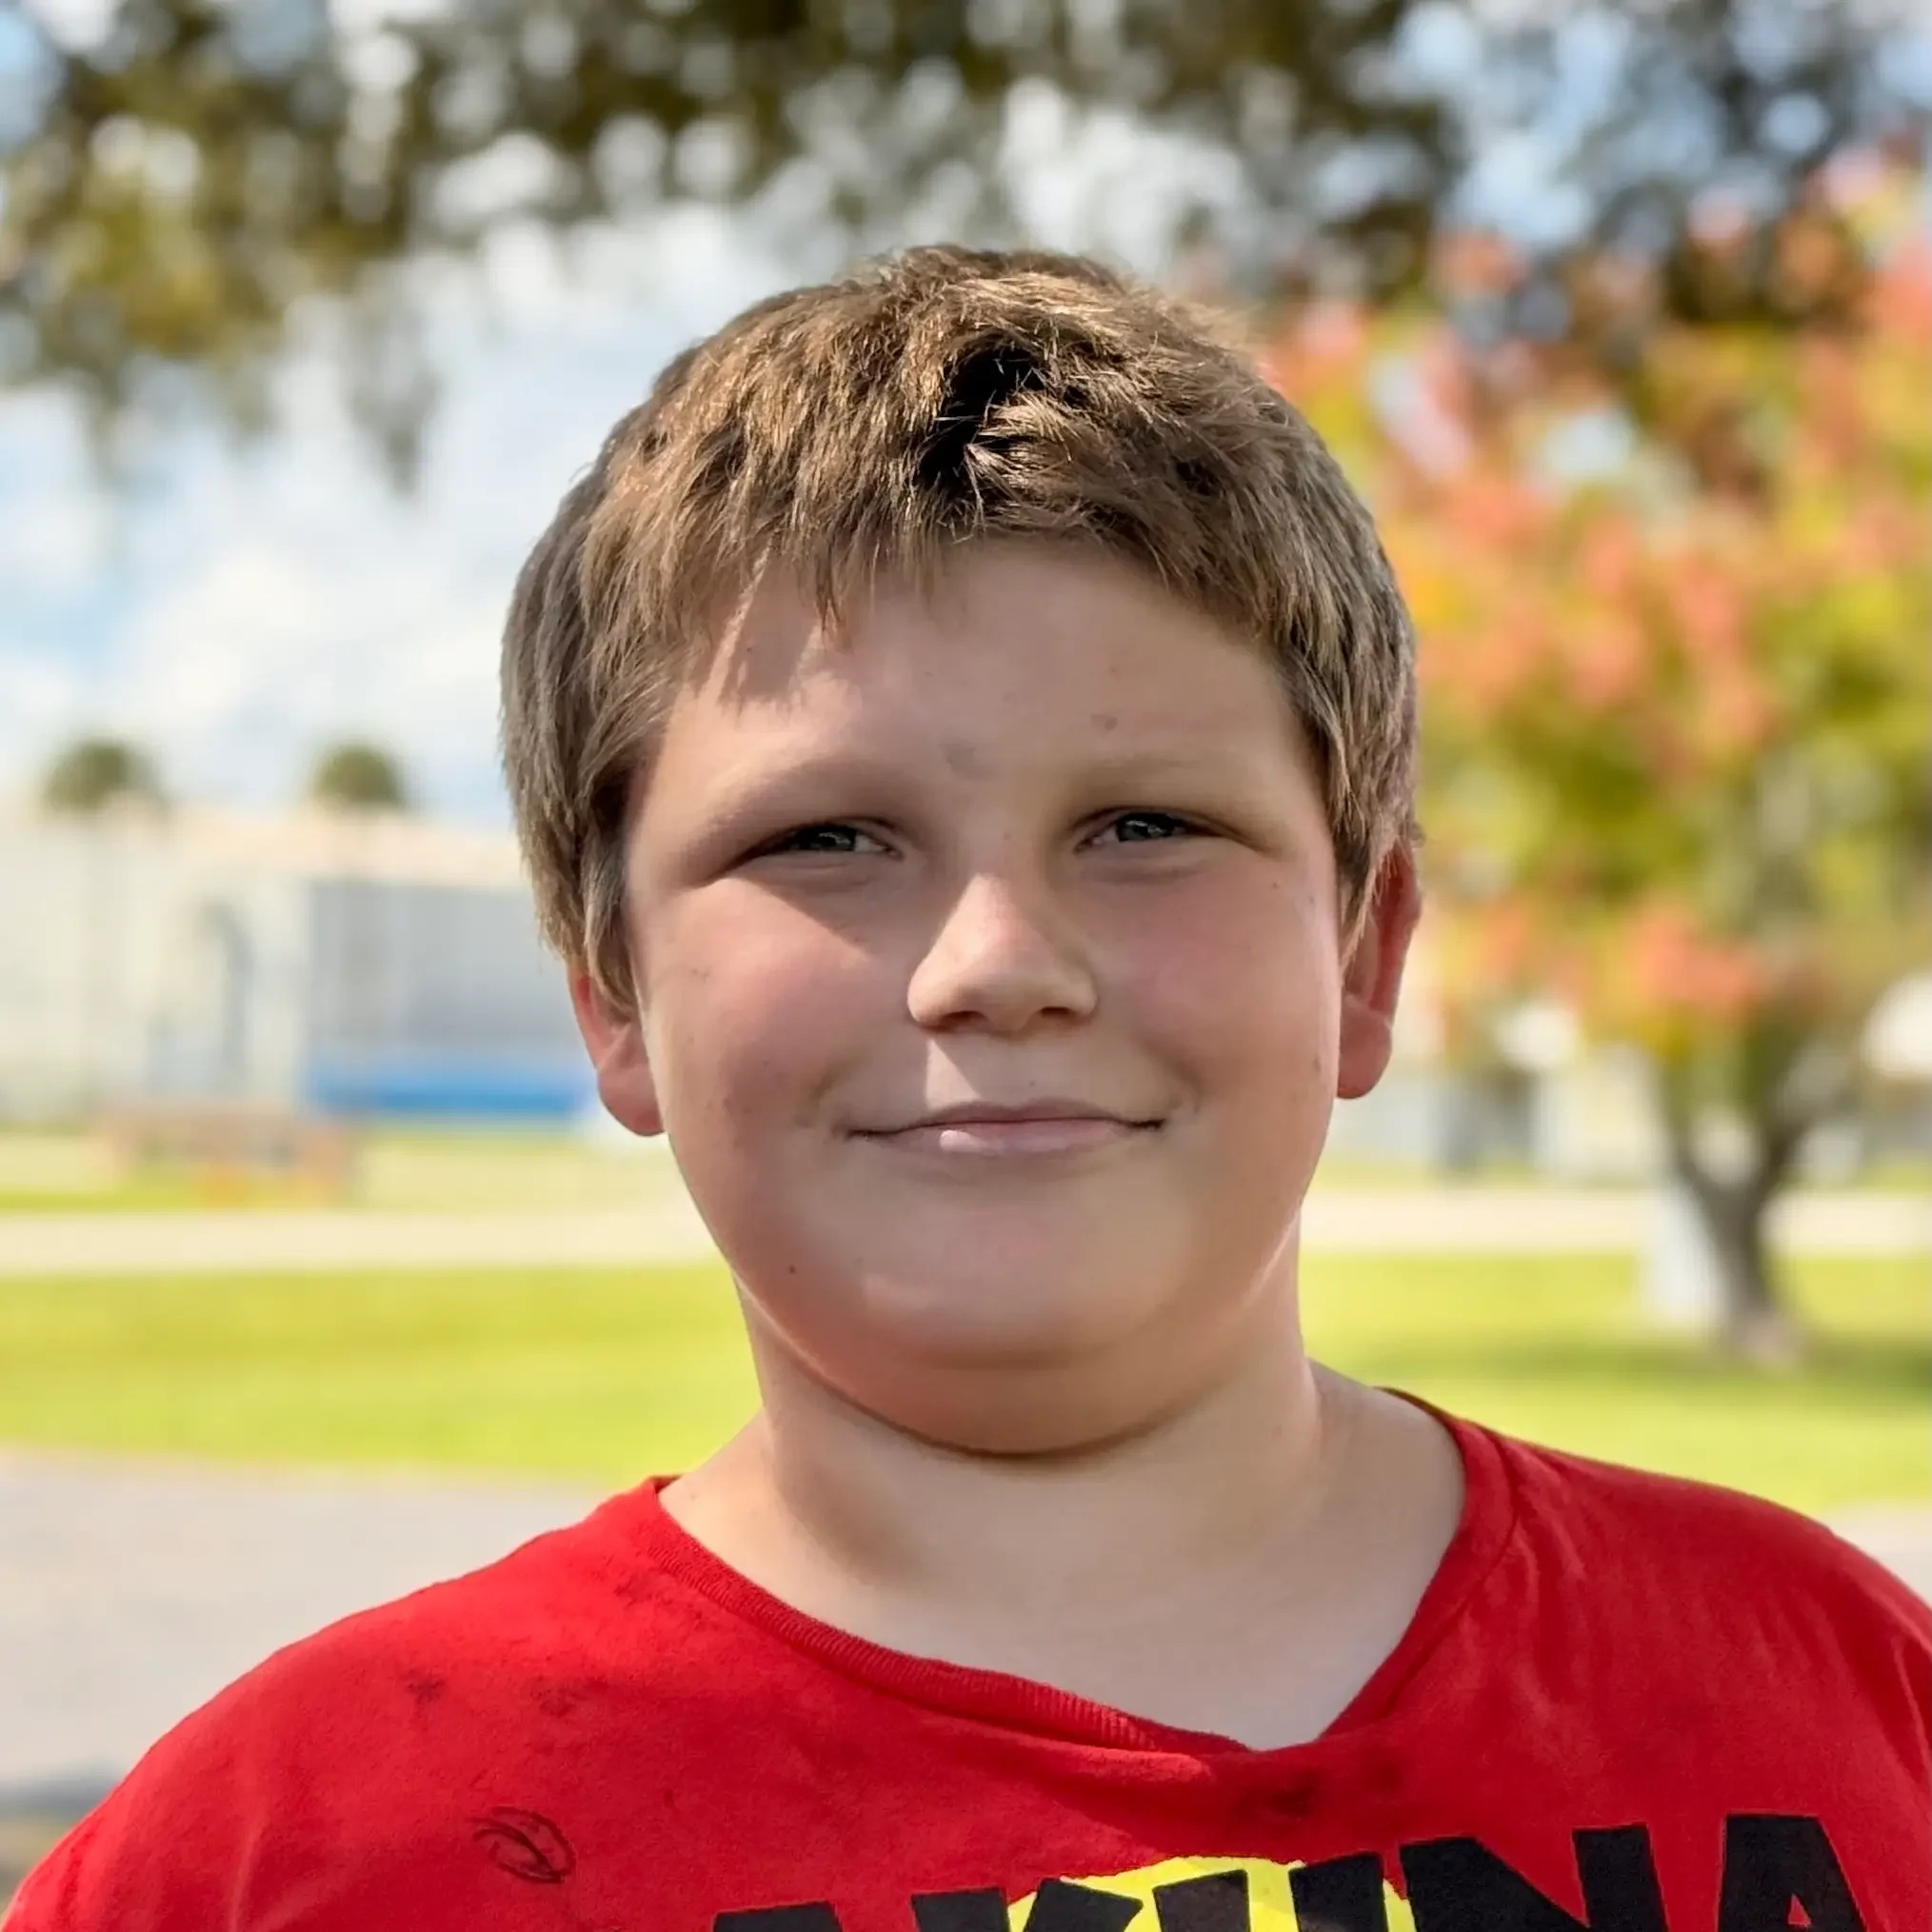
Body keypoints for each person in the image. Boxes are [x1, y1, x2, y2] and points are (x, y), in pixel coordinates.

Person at [10, 247, 1925, 1932]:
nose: (999, 959)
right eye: (832, 836)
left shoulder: (1840, 1694)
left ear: (1367, 953)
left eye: (1147, 823)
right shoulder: (281, 1864)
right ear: (610, 990)